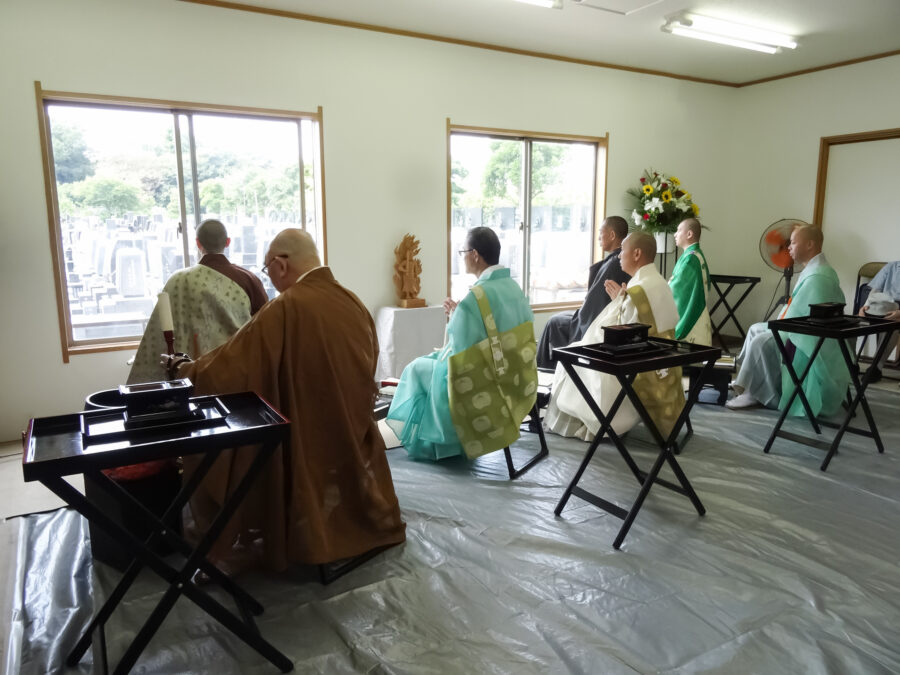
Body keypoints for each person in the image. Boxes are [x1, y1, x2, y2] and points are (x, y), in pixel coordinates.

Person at [164, 229, 406, 573]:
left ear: (280, 265)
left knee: (242, 439)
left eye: (268, 270)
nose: (271, 279)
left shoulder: (288, 306)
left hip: (307, 436)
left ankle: (297, 536)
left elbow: (232, 364)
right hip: (351, 430)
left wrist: (185, 369)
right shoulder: (351, 301)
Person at [386, 227, 538, 461]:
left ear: (475, 255)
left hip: (486, 378)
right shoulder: (513, 287)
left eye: (463, 252)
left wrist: (457, 314)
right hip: (517, 375)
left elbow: (460, 348)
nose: (462, 257)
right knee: (427, 364)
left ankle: (438, 444)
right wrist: (460, 312)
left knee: (415, 369)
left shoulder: (476, 297)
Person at [545, 231, 684, 440]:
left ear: (636, 254)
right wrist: (621, 299)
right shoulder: (658, 282)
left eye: (623, 251)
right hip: (662, 363)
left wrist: (622, 301)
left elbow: (623, 333)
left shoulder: (638, 291)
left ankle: (596, 426)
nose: (619, 255)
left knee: (572, 358)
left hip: (635, 367)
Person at [727, 225, 850, 414]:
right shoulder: (813, 269)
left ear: (809, 244)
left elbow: (804, 317)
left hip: (810, 338)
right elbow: (798, 309)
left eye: (792, 243)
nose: (788, 247)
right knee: (754, 329)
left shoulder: (819, 276)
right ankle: (748, 381)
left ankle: (754, 393)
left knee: (762, 341)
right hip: (797, 325)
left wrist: (777, 327)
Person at [127, 219, 267, 383]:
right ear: (228, 242)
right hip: (235, 373)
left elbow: (157, 337)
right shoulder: (248, 279)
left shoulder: (178, 280)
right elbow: (264, 326)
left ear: (198, 243)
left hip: (189, 375)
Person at [536, 216, 631, 368]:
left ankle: (548, 369)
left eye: (601, 232)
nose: (598, 237)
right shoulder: (616, 260)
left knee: (554, 322)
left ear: (612, 235)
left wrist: (580, 319)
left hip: (597, 324)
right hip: (598, 316)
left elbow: (594, 308)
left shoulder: (614, 263)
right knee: (558, 318)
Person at [668, 217, 712, 344]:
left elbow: (678, 288)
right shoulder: (691, 255)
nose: (675, 234)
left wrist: (664, 288)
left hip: (692, 314)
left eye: (678, 230)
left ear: (689, 234)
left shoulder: (691, 259)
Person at [858, 261, 900, 381]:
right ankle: (850, 362)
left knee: (891, 325)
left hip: (896, 312)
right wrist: (865, 307)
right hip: (879, 307)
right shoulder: (891, 267)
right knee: (849, 325)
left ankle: (876, 367)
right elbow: (874, 292)